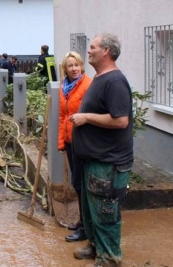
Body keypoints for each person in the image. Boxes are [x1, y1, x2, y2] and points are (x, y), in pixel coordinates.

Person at [70, 33, 133, 266]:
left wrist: (86, 117)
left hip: (108, 163)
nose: (89, 51)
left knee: (105, 213)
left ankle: (109, 259)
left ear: (106, 51)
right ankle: (96, 247)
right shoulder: (100, 78)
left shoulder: (114, 82)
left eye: (93, 47)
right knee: (91, 211)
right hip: (93, 159)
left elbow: (121, 121)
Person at [57, 51, 92, 243]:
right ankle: (82, 222)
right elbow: (62, 117)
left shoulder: (88, 85)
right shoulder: (63, 88)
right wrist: (61, 142)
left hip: (84, 142)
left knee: (81, 184)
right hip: (71, 142)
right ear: (65, 69)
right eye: (70, 65)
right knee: (77, 183)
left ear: (81, 66)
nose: (74, 68)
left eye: (76, 64)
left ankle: (85, 226)